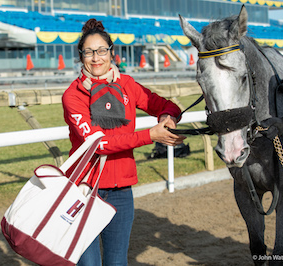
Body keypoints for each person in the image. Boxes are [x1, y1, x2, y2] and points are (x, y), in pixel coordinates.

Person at [62, 18, 185, 266]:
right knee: (89, 264)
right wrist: (151, 136)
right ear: (81, 56)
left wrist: (167, 118)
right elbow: (99, 143)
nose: (96, 58)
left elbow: (167, 106)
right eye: (89, 52)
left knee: (117, 262)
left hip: (121, 193)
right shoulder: (72, 96)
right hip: (84, 192)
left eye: (101, 51)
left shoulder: (127, 84)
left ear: (111, 53)